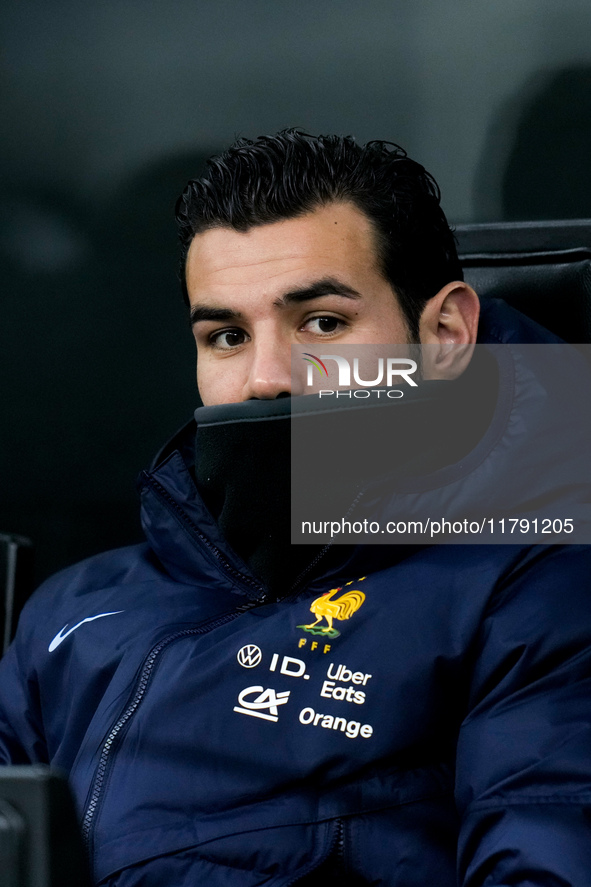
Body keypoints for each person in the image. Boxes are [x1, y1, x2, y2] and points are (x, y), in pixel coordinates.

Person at [1, 130, 591, 886]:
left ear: (445, 334)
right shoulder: (76, 609)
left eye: (321, 323)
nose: (267, 378)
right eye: (226, 335)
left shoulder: (534, 588)